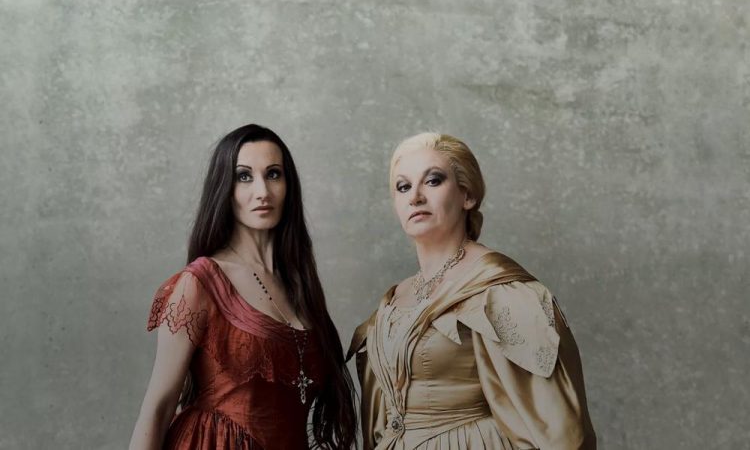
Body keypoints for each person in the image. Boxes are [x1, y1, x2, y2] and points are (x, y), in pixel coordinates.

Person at [348, 132, 596, 449]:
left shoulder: (500, 289)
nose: (416, 197)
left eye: (433, 181)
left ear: (467, 196)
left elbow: (559, 428)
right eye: (403, 187)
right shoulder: (396, 298)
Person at [130, 124, 357, 450]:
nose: (262, 191)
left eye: (273, 174)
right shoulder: (200, 283)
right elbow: (158, 407)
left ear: (289, 185)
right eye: (244, 176)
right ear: (225, 188)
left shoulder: (300, 287)